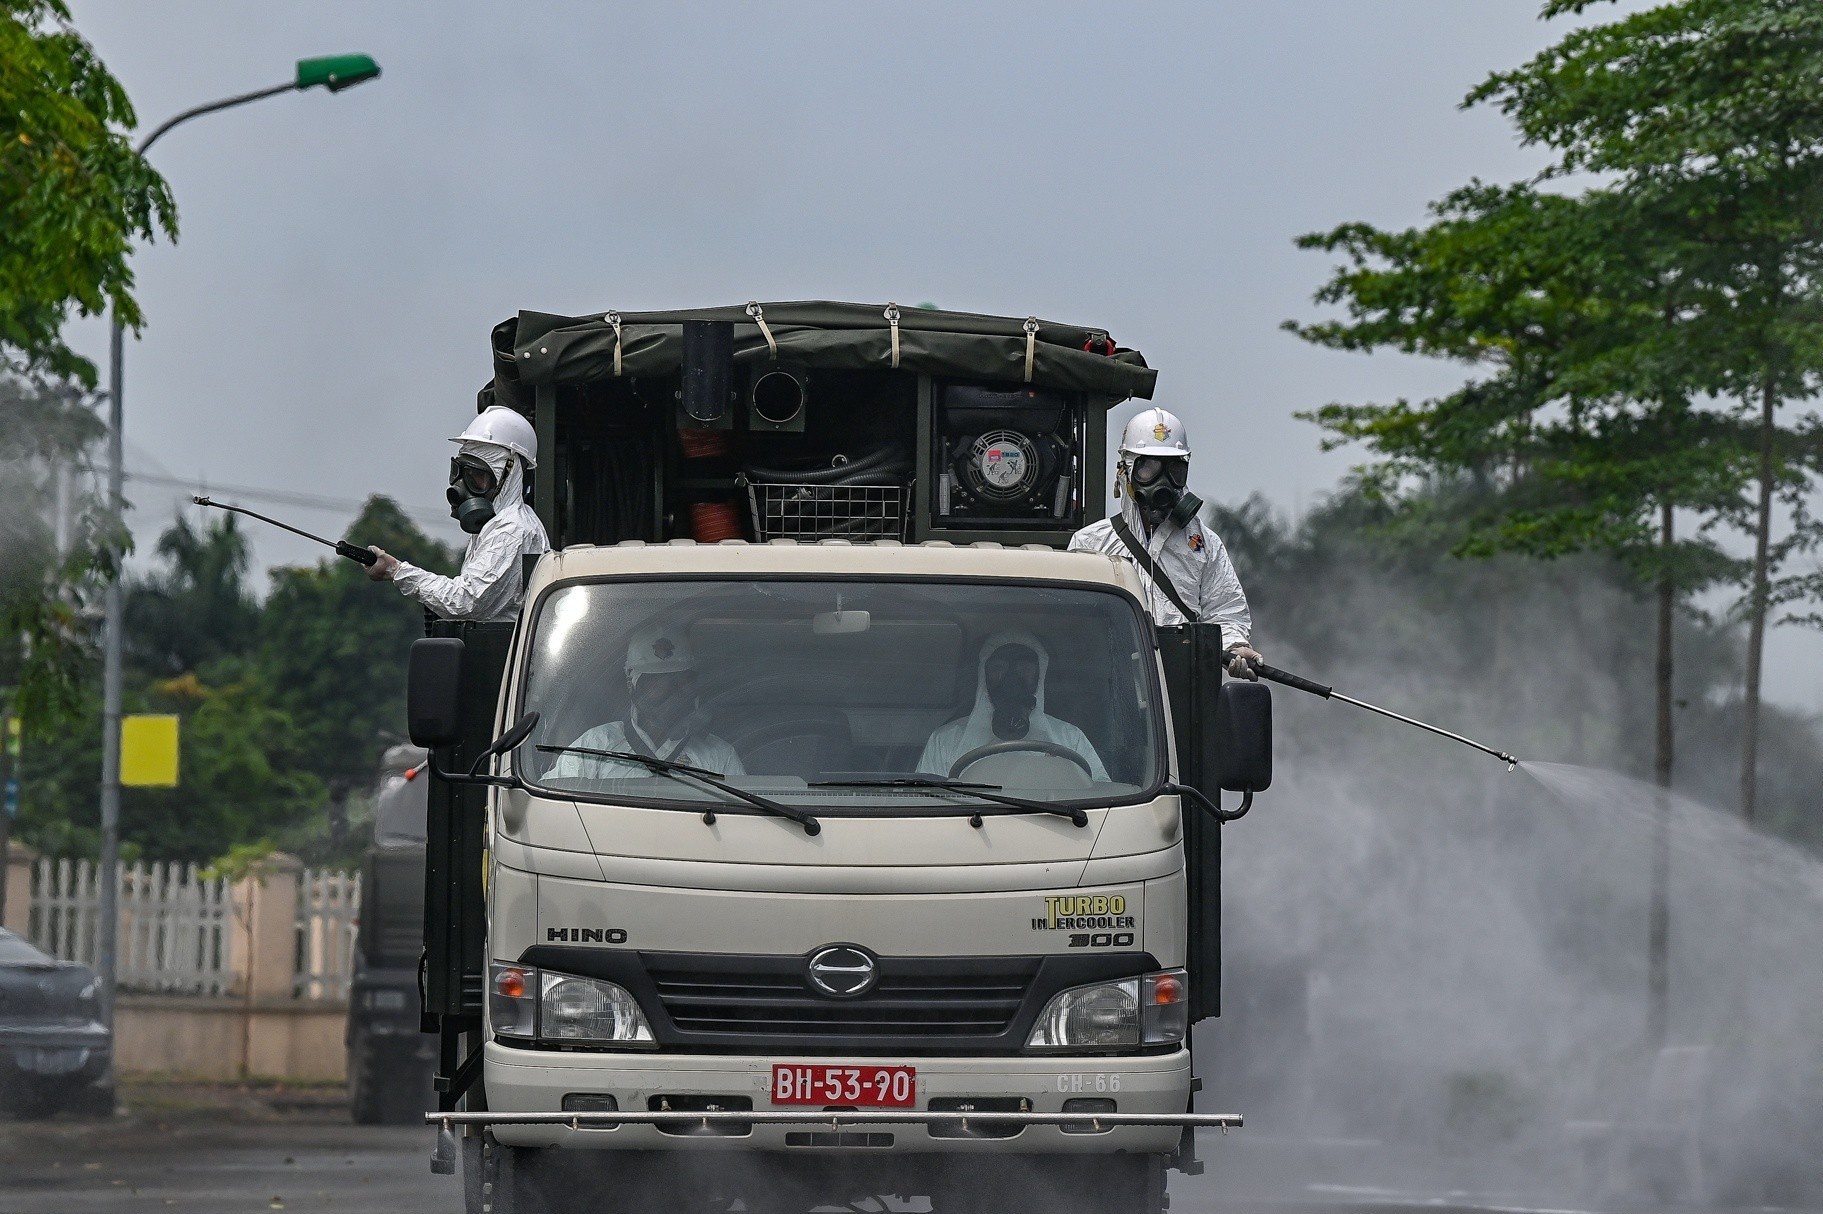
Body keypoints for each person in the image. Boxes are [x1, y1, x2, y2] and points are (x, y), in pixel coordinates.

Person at [1069, 407, 1263, 679]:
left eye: (1174, 470)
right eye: (1148, 468)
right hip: (1111, 683)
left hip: (1185, 685)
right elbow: (1074, 626)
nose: (1163, 483)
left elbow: (1226, 611)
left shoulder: (1205, 544)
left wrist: (1236, 646)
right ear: (1125, 471)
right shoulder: (1091, 543)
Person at [365, 406, 550, 623]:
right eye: (461, 473)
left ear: (508, 476)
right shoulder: (495, 525)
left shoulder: (512, 531)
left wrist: (396, 571)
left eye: (477, 477)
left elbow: (466, 602)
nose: (462, 486)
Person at [547, 622, 744, 781]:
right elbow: (551, 809)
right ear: (633, 686)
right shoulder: (595, 747)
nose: (673, 694)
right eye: (658, 684)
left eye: (681, 682)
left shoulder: (718, 755)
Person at [917, 630, 1109, 782]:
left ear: (1039, 674)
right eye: (999, 668)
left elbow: (1101, 795)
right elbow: (927, 806)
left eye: (1024, 668)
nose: (1011, 679)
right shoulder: (946, 740)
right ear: (984, 675)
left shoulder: (1069, 738)